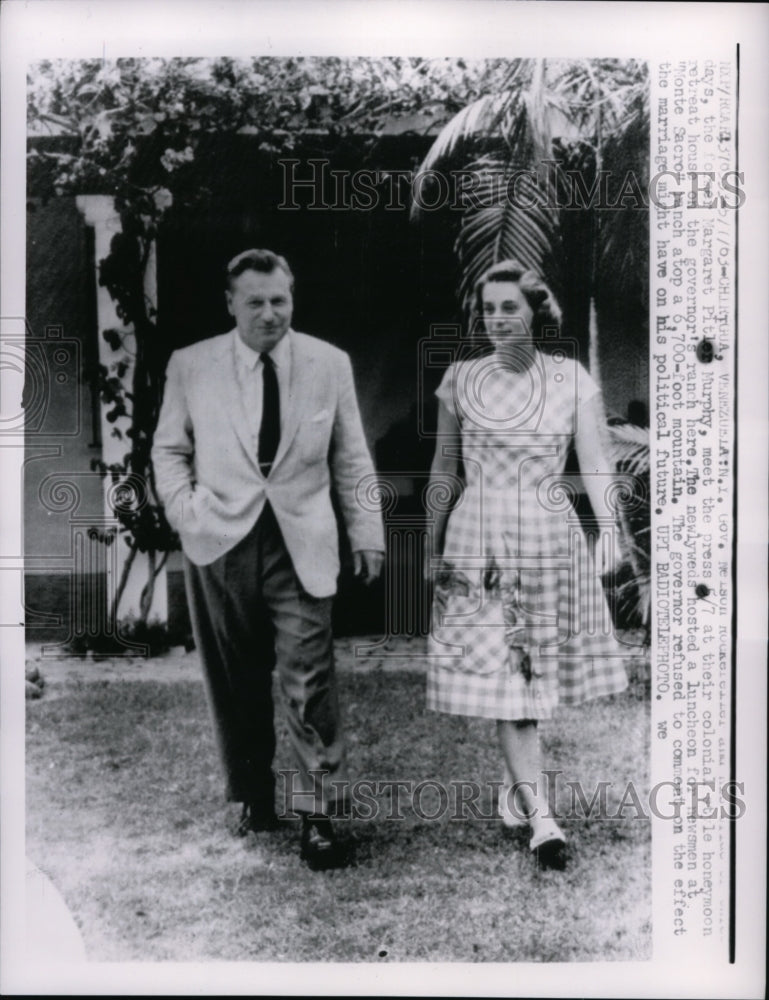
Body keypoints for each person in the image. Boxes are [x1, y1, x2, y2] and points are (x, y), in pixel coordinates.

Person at [152, 248, 384, 870]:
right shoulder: (191, 365)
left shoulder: (327, 364)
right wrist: (186, 509)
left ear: (292, 298)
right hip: (218, 540)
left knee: (308, 678)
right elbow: (168, 450)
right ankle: (254, 795)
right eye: (254, 301)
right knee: (233, 680)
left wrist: (368, 532)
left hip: (300, 540)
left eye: (279, 299)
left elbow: (352, 457)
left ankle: (318, 816)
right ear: (230, 303)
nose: (269, 313)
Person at [425, 260, 629, 870]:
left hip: (548, 535)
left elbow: (596, 463)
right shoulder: (460, 378)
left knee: (534, 677)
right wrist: (432, 548)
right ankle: (543, 820)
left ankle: (519, 790)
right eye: (488, 309)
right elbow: (443, 468)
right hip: (480, 539)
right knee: (511, 679)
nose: (497, 319)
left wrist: (610, 532)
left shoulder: (570, 378)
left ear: (537, 313)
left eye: (509, 307)